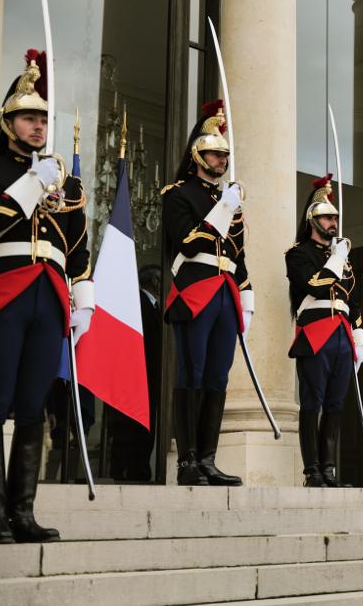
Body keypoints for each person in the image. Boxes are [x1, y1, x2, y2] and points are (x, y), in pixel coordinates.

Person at [0, 50, 94, 543]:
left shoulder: (63, 181)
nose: (38, 126)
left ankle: (23, 512)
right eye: (29, 117)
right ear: (8, 122)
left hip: (49, 297)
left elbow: (77, 243)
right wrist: (30, 186)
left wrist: (83, 296)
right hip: (2, 293)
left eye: (44, 118)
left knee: (32, 405)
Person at [161, 99, 251, 487]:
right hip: (195, 290)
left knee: (217, 377)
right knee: (192, 373)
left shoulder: (229, 201)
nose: (221, 160)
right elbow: (186, 242)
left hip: (226, 294)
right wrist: (222, 210)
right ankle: (188, 461)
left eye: (224, 155)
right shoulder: (178, 194)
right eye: (215, 153)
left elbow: (239, 255)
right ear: (198, 154)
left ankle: (209, 459)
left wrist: (246, 298)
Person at [286, 174, 363, 487]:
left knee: (335, 405)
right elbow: (314, 287)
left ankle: (329, 469)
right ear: (312, 220)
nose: (333, 222)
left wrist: (359, 340)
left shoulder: (342, 259)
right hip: (315, 333)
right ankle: (312, 471)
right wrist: (336, 258)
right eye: (326, 217)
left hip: (342, 336)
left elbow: (354, 301)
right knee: (312, 404)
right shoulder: (298, 254)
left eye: (334, 217)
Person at [107, 264, 163, 482]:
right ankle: (123, 471)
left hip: (151, 375)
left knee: (145, 425)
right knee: (128, 425)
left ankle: (139, 470)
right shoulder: (136, 302)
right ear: (155, 282)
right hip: (134, 374)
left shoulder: (155, 306)